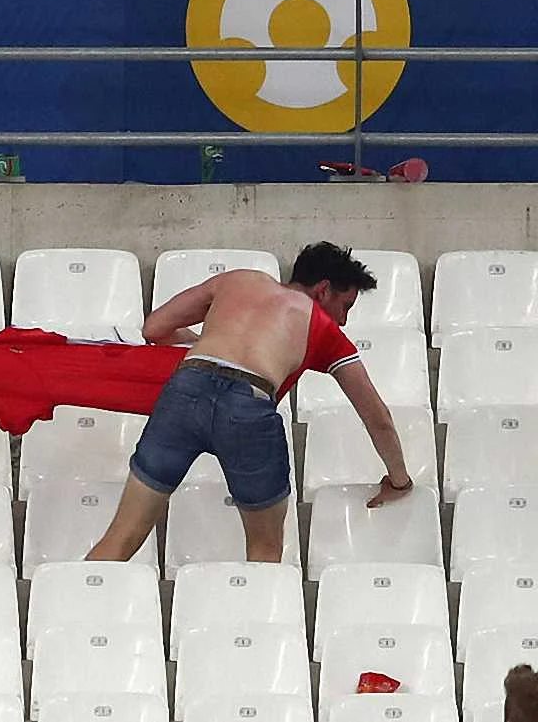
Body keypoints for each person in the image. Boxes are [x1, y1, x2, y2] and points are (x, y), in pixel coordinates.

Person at [87, 242, 414, 564]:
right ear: (323, 290)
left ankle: (72, 610)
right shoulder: (323, 328)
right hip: (248, 406)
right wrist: (400, 480)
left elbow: (154, 328)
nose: (343, 320)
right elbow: (376, 415)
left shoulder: (239, 279)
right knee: (265, 553)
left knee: (121, 538)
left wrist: (215, 345)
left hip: (186, 386)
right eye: (346, 306)